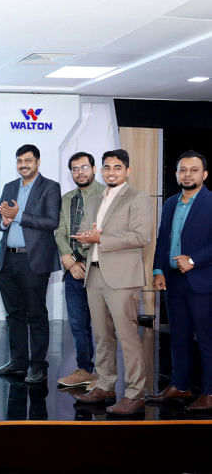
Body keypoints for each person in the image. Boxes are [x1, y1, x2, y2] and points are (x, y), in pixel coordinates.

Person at [71, 149, 152, 415]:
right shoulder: (95, 199)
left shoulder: (138, 198)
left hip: (123, 278)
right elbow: (86, 232)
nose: (111, 172)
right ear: (101, 170)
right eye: (107, 167)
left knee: (128, 337)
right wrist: (84, 239)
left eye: (117, 167)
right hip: (94, 274)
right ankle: (105, 385)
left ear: (128, 171)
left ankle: (135, 394)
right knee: (101, 336)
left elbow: (140, 236)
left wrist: (100, 239)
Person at [0, 144, 61, 384]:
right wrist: (4, 222)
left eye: (28, 160)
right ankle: (18, 362)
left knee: (36, 314)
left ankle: (38, 366)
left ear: (37, 162)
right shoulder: (9, 187)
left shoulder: (50, 187)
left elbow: (51, 221)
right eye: (20, 161)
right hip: (7, 260)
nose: (23, 165)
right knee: (14, 314)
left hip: (33, 260)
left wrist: (17, 215)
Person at [148, 150, 212, 411]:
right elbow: (163, 239)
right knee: (179, 337)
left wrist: (194, 259)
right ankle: (181, 386)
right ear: (176, 174)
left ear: (204, 174)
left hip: (203, 282)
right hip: (173, 282)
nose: (187, 175)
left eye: (193, 170)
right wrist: (158, 270)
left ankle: (209, 392)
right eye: (182, 170)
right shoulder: (171, 203)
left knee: (207, 340)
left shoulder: (210, 202)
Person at [54, 152, 105, 388]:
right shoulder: (67, 199)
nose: (79, 172)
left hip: (100, 269)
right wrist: (71, 262)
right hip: (74, 272)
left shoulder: (106, 195)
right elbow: (60, 232)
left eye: (84, 167)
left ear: (94, 169)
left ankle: (104, 376)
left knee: (103, 325)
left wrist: (79, 259)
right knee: (77, 324)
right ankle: (84, 369)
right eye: (75, 169)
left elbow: (102, 234)